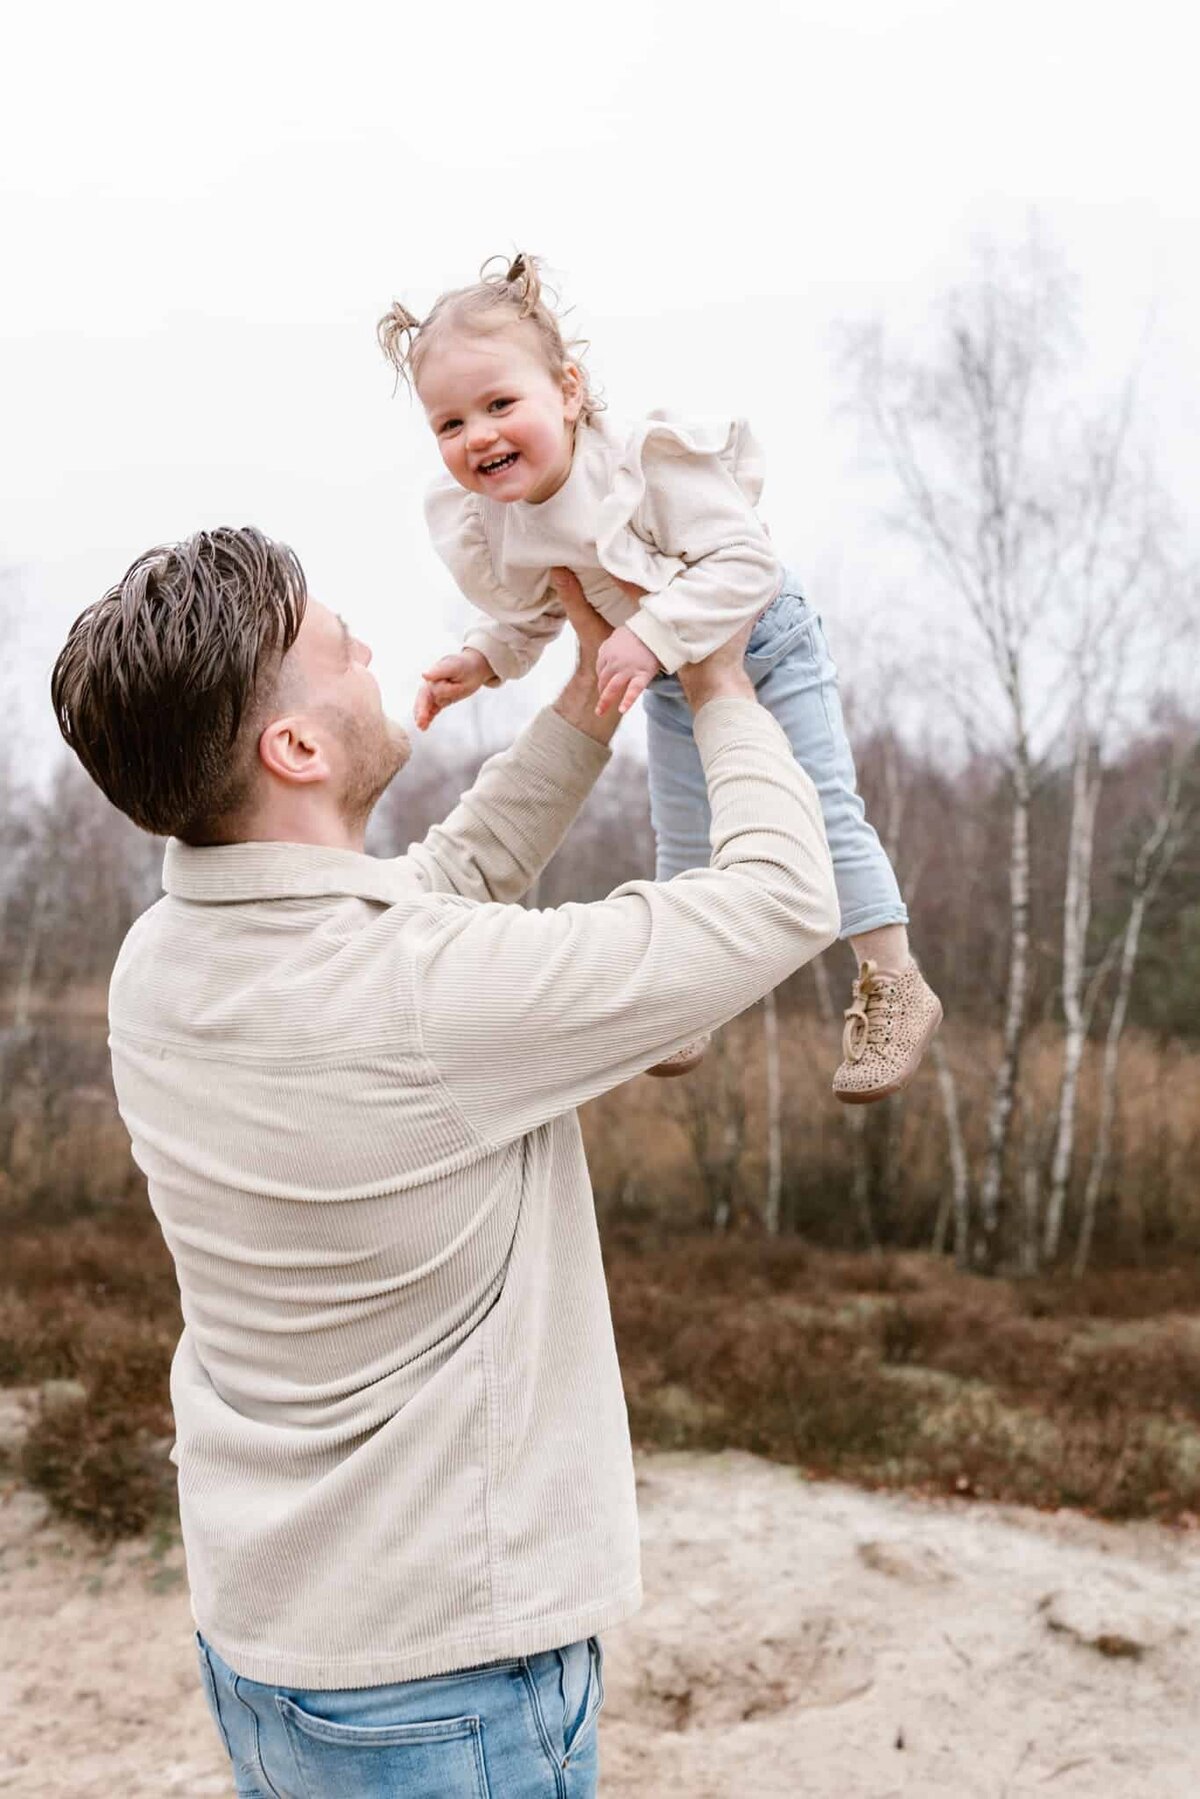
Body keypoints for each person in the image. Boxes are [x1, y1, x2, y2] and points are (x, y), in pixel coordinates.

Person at [49, 525, 839, 1799]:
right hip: (446, 1686)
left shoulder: (163, 960)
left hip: (273, 1644)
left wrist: (590, 697)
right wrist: (720, 677)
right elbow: (781, 897)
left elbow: (443, 885)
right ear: (294, 747)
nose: (369, 650)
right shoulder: (417, 999)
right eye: (338, 646)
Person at [377, 252, 942, 1099]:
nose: (479, 436)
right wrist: (484, 660)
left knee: (820, 812)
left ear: (567, 391)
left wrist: (654, 631)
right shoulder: (505, 521)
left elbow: (747, 561)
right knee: (681, 837)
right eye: (451, 425)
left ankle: (894, 978)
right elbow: (541, 611)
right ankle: (686, 995)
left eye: (500, 404)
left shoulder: (640, 468)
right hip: (666, 674)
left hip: (765, 645)